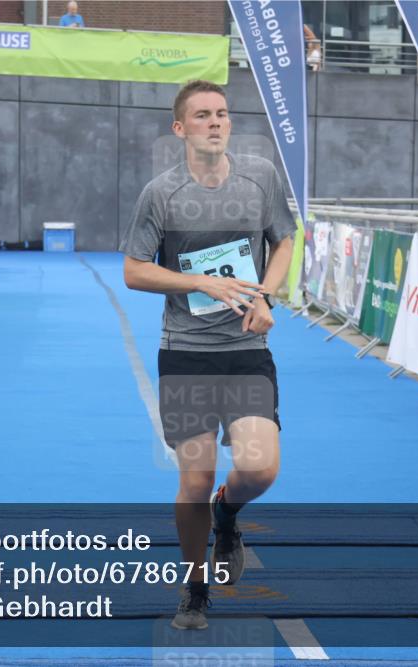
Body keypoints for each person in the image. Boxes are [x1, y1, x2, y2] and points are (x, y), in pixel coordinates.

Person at [119, 80, 295, 630]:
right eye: (202, 116)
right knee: (194, 479)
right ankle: (195, 585)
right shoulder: (161, 193)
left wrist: (265, 295)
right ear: (180, 129)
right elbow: (133, 269)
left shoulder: (260, 178)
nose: (215, 122)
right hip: (187, 352)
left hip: (246, 347)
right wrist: (197, 279)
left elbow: (285, 239)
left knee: (260, 468)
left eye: (222, 113)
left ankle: (228, 513)